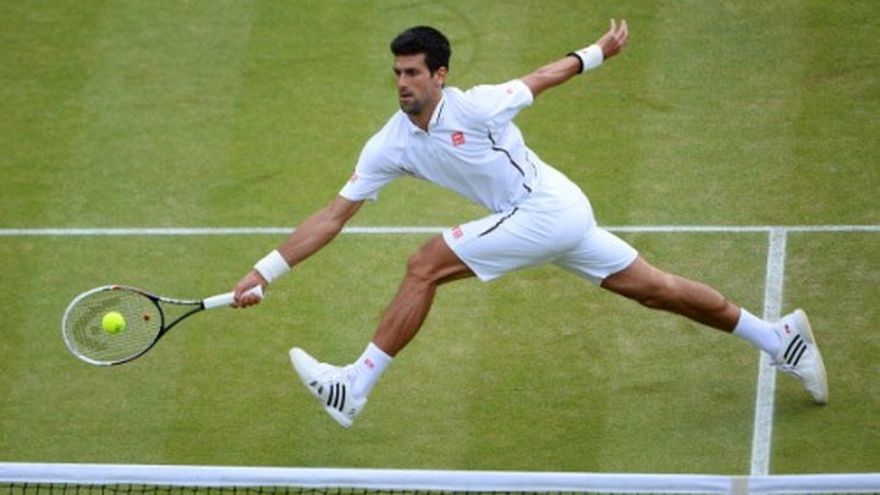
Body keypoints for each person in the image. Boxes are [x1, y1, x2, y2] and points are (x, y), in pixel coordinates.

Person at [232, 21, 828, 428]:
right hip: (549, 215)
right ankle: (779, 338)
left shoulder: (478, 105)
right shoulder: (389, 144)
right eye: (398, 73)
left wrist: (597, 52)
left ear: (440, 75)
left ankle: (355, 386)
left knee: (424, 264)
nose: (403, 84)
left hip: (547, 209)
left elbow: (543, 77)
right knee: (658, 290)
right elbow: (333, 215)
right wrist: (265, 271)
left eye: (413, 73)